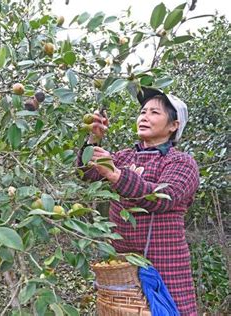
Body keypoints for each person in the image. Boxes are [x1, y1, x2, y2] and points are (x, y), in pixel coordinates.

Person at [79, 87, 199, 315]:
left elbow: (163, 198)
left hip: (166, 269)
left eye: (155, 113)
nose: (144, 117)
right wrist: (93, 139)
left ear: (174, 126)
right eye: (143, 111)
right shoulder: (124, 157)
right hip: (123, 270)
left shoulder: (182, 163)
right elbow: (86, 173)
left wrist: (115, 174)